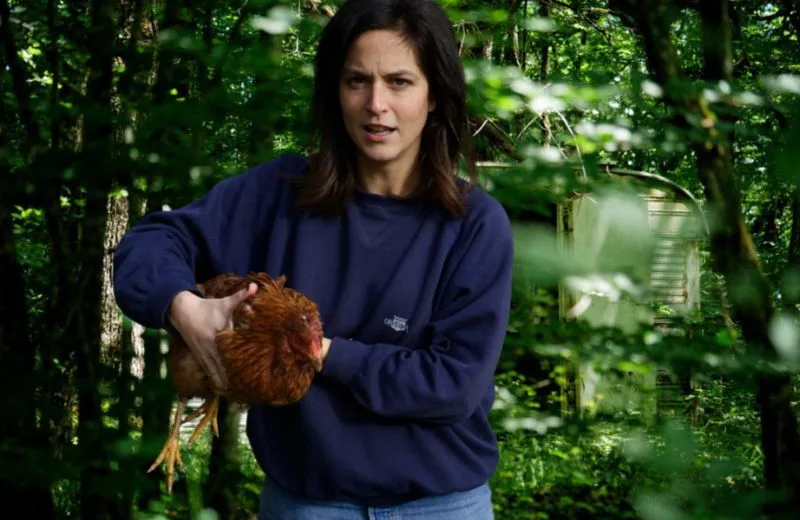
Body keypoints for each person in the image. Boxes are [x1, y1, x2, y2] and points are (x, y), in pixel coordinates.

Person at [113, 0, 514, 518]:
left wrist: (315, 350)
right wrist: (183, 309)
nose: (376, 104)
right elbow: (149, 243)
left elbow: (452, 386)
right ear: (335, 92)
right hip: (306, 504)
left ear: (434, 94)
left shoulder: (473, 224)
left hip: (441, 505)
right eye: (356, 81)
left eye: (399, 82)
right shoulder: (276, 196)